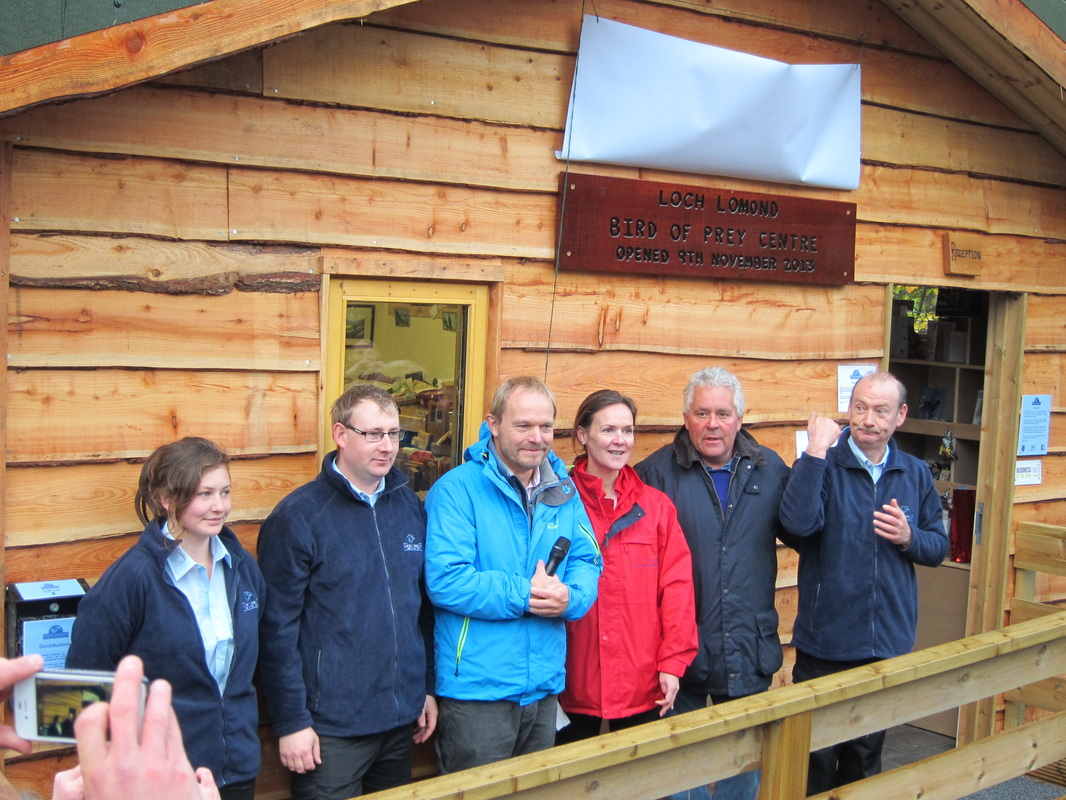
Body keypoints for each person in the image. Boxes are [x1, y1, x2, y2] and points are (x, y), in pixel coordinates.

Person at [257, 383, 436, 800]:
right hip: (331, 730)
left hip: (399, 721)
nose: (387, 446)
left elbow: (421, 612)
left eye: (394, 434)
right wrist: (291, 722)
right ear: (340, 435)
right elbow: (276, 631)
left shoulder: (408, 506)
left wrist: (424, 688)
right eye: (372, 434)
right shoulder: (299, 517)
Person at [66, 437, 265, 800]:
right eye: (204, 494)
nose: (219, 506)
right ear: (167, 499)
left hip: (235, 770)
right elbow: (84, 683)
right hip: (160, 778)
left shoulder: (243, 569)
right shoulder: (131, 580)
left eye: (225, 492)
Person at [780, 371, 948, 794]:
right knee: (814, 758)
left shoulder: (914, 473)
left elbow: (937, 548)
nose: (868, 419)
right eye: (860, 407)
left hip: (885, 641)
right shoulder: (824, 464)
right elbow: (796, 524)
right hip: (826, 641)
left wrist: (910, 538)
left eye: (880, 410)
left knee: (865, 757)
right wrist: (816, 451)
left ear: (901, 416)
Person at [425, 375, 602, 772]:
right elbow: (447, 580)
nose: (535, 437)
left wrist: (571, 597)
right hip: (477, 694)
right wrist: (527, 595)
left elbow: (588, 561)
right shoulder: (456, 491)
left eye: (545, 427)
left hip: (542, 688)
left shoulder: (563, 490)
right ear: (493, 424)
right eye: (523, 425)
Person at [635, 366, 790, 800]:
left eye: (723, 413)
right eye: (702, 413)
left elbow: (805, 528)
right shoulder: (655, 475)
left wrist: (816, 460)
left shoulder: (769, 469)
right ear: (685, 418)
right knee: (676, 778)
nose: (713, 424)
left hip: (748, 645)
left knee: (743, 774)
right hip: (678, 650)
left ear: (740, 418)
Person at [556, 389, 698, 743]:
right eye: (608, 430)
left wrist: (673, 663)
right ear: (582, 435)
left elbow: (677, 589)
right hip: (571, 680)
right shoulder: (558, 502)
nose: (620, 441)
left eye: (628, 430)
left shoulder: (656, 507)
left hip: (641, 681)